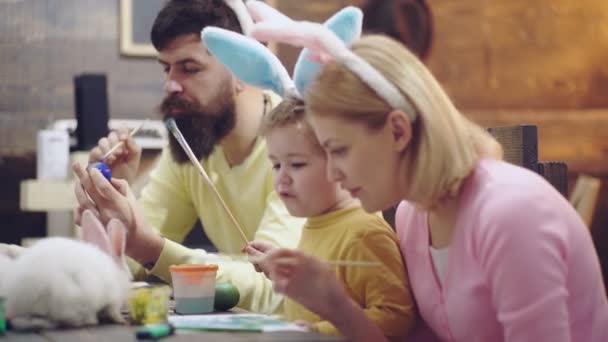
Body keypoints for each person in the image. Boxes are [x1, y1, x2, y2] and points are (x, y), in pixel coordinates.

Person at [246, 13, 608, 342]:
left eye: (339, 150)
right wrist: (335, 305)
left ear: (398, 132)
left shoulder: (511, 213)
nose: (334, 171)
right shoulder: (413, 215)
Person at [71, 0, 304, 314]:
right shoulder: (192, 140)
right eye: (166, 68)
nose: (170, 85)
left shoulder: (299, 146)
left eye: (189, 68)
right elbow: (132, 261)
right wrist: (113, 208)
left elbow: (272, 287)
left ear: (243, 70)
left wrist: (149, 247)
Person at [243, 96, 415, 338]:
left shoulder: (364, 234)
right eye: (276, 165)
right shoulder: (317, 224)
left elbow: (396, 318)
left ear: (338, 161)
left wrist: (319, 331)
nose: (282, 178)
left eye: (297, 164)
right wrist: (282, 268)